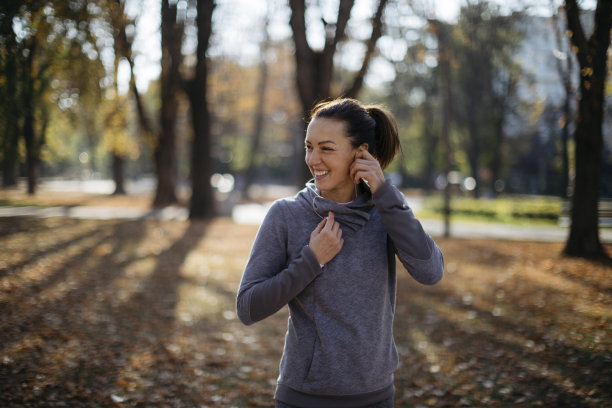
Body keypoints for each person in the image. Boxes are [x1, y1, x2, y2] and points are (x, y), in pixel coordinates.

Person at [236, 98, 444, 408]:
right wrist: (311, 260)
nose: (313, 159)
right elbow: (248, 307)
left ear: (361, 154)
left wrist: (386, 195)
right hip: (303, 399)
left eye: (326, 148)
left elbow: (431, 272)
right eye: (309, 146)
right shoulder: (286, 215)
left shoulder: (384, 213)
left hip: (375, 398)